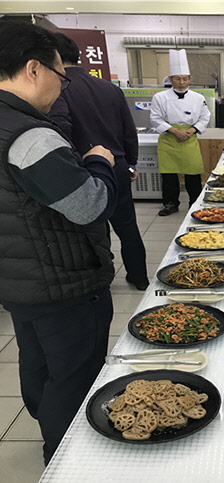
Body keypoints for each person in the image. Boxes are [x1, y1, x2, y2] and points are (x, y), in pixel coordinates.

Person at [0, 22, 117, 465]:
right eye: (60, 77)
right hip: (62, 281)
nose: (61, 88)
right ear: (34, 69)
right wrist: (98, 163)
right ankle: (67, 459)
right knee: (74, 376)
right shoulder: (30, 134)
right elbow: (89, 206)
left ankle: (48, 425)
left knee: (37, 363)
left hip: (18, 277)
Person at [48, 33, 149, 291]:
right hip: (117, 167)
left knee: (93, 229)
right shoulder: (110, 88)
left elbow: (61, 133)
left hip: (84, 170)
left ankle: (103, 278)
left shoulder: (58, 90)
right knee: (127, 225)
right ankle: (139, 277)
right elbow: (129, 131)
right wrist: (130, 163)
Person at [150, 49, 211, 216]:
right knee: (169, 175)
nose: (182, 82)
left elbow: (205, 117)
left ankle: (195, 203)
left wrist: (191, 130)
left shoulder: (198, 98)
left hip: (189, 138)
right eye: (177, 78)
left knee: (193, 174)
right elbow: (155, 119)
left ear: (190, 79)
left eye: (185, 78)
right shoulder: (160, 97)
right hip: (168, 138)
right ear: (171, 79)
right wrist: (175, 131)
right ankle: (170, 204)